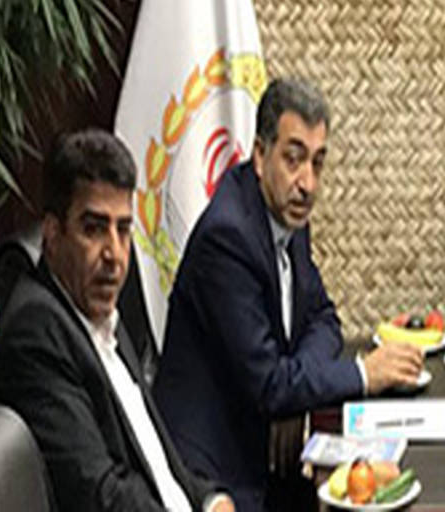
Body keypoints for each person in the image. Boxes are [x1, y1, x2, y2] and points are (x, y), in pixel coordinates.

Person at [153, 78, 423, 511]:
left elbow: (323, 318)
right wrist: (362, 374)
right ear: (260, 156)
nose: (308, 183)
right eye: (294, 159)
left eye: (318, 163)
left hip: (268, 443)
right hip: (214, 473)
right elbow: (268, 384)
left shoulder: (286, 215)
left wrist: (292, 397)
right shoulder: (228, 237)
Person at [0, 130, 232, 512]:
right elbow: (102, 496)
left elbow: (157, 459)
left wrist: (209, 500)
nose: (114, 253)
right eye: (94, 228)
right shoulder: (37, 333)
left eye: (123, 229)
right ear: (52, 233)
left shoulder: (98, 310)